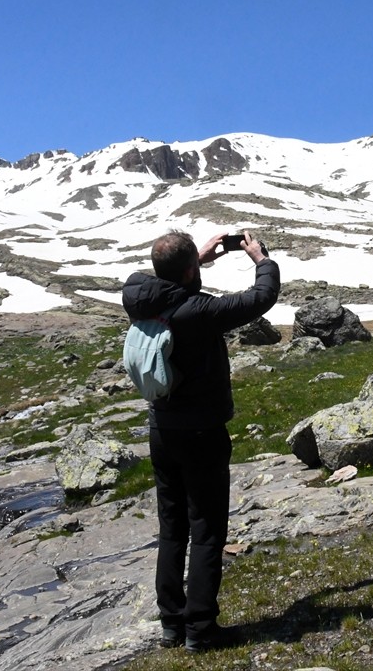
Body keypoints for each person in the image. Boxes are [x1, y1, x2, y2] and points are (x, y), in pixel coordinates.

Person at [121, 229, 279, 652]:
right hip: (202, 432)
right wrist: (260, 259)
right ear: (190, 270)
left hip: (161, 428)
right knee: (207, 530)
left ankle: (172, 623)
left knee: (172, 528)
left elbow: (164, 279)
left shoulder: (139, 298)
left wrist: (196, 261)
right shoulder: (198, 310)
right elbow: (260, 298)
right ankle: (201, 629)